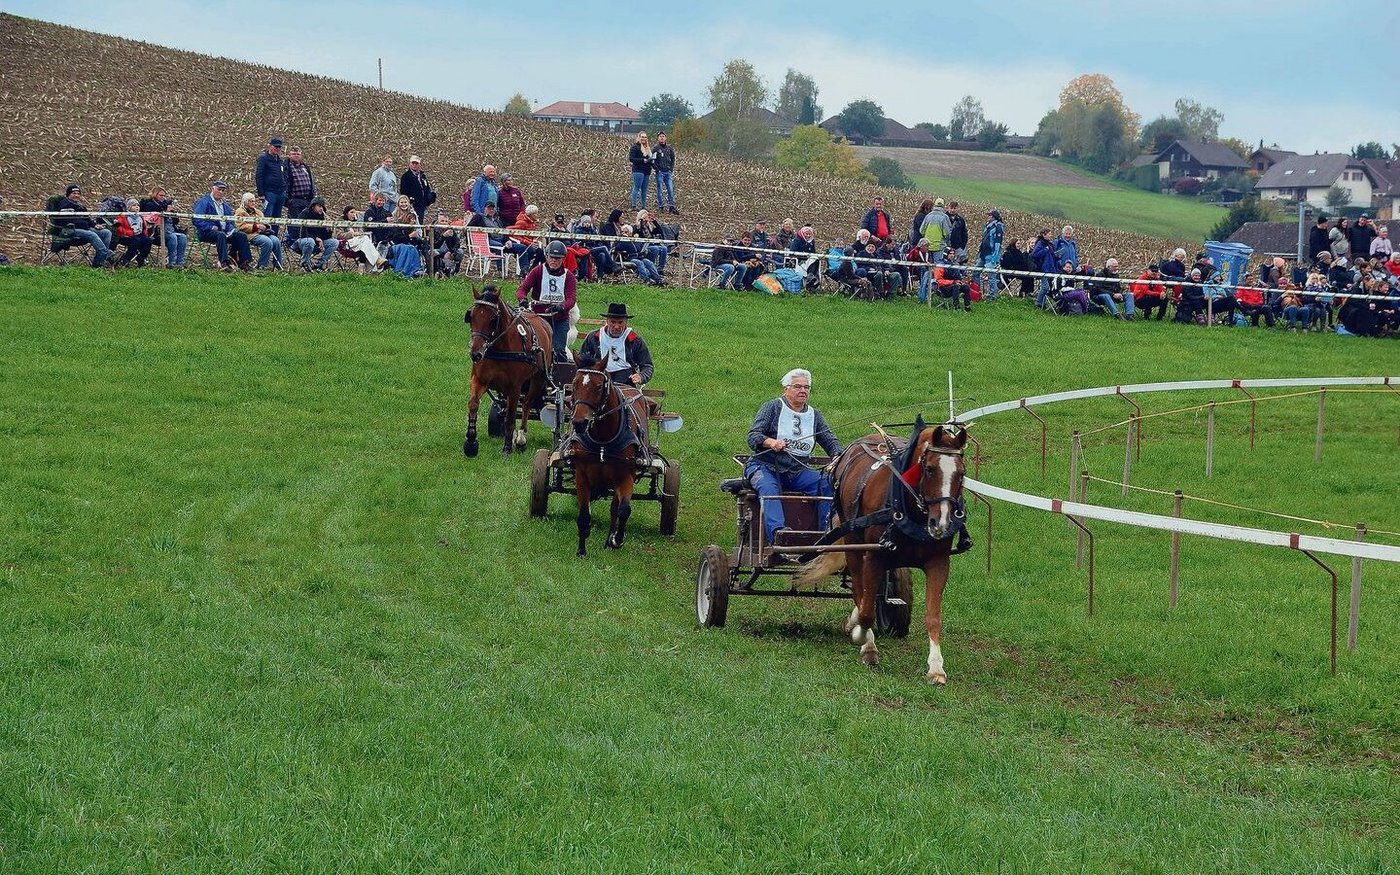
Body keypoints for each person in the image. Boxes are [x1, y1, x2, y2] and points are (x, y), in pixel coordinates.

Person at [745, 368, 844, 547]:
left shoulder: (814, 415)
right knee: (768, 488)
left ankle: (825, 534)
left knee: (827, 484)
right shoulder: (773, 407)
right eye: (797, 386)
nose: (803, 390)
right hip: (765, 466)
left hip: (797, 472)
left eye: (807, 387)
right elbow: (753, 436)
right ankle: (778, 533)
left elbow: (830, 441)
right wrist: (770, 442)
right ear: (786, 389)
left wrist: (838, 455)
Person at [517, 241, 576, 361]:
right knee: (536, 348)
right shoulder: (538, 271)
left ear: (563, 259)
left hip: (559, 319)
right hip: (539, 317)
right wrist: (522, 299)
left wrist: (562, 307)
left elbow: (571, 299)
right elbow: (522, 289)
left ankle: (559, 376)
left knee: (559, 350)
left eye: (558, 258)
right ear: (546, 256)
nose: (554, 261)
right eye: (551, 257)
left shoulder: (568, 276)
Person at [577, 302, 655, 386]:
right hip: (599, 378)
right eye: (613, 322)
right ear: (607, 321)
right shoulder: (594, 337)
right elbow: (582, 359)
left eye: (620, 322)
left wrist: (641, 376)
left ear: (626, 322)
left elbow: (647, 365)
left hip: (626, 380)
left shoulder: (634, 340)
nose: (616, 327)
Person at [192, 180, 251, 271]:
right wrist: (210, 227)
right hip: (206, 232)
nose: (221, 192)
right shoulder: (204, 202)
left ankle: (245, 263)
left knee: (241, 235)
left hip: (223, 231)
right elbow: (196, 219)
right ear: (213, 189)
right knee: (221, 235)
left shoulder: (225, 205)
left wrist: (231, 229)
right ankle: (224, 263)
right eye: (219, 189)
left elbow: (230, 221)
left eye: (223, 190)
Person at [55, 183, 114, 267]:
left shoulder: (80, 206)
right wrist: (84, 225)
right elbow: (67, 220)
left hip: (84, 229)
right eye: (74, 193)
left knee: (106, 232)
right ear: (68, 194)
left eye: (78, 193)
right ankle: (105, 253)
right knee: (92, 235)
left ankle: (98, 263)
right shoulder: (65, 204)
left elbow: (87, 219)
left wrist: (94, 225)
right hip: (69, 230)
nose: (76, 195)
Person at [140, 187, 187, 268]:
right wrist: (165, 212)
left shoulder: (166, 205)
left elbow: (176, 221)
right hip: (157, 232)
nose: (163, 197)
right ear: (155, 194)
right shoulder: (149, 205)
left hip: (170, 229)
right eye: (161, 195)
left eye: (164, 195)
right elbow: (153, 219)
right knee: (173, 237)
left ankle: (180, 262)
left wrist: (172, 213)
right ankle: (171, 262)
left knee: (183, 237)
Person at [235, 192, 284, 269]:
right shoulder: (240, 211)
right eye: (251, 201)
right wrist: (255, 226)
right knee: (267, 242)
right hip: (249, 234)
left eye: (254, 201)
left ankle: (278, 266)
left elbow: (266, 222)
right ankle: (262, 266)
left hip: (262, 233)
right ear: (245, 202)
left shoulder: (258, 212)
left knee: (276, 241)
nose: (253, 203)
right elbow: (240, 226)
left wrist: (265, 226)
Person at [283, 146, 322, 233]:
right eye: (293, 154)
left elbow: (312, 182)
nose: (296, 156)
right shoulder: (286, 167)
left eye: (298, 154)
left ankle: (306, 238)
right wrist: (287, 200)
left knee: (307, 221)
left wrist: (313, 198)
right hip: (294, 199)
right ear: (289, 155)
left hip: (307, 199)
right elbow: (284, 183)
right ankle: (292, 240)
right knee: (294, 222)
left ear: (301, 155)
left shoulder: (305, 167)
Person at [292, 197, 336, 271]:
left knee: (334, 242)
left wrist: (328, 230)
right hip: (301, 240)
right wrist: (316, 239)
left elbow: (323, 235)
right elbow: (299, 232)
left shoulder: (322, 216)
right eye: (319, 206)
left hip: (316, 242)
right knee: (310, 241)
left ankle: (319, 265)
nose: (321, 208)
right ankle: (304, 264)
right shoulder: (305, 213)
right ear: (313, 206)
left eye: (322, 206)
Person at [254, 136, 288, 230]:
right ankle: (267, 235)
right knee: (268, 216)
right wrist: (261, 193)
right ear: (270, 146)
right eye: (275, 147)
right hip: (269, 193)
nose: (277, 149)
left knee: (277, 218)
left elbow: (284, 174)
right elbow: (259, 175)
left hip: (280, 193)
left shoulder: (280, 160)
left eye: (279, 147)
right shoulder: (263, 158)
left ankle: (275, 238)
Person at [113, 198, 154, 267]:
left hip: (139, 234)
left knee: (148, 240)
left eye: (138, 205)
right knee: (135, 241)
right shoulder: (123, 216)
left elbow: (144, 228)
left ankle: (141, 258)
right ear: (129, 207)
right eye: (134, 205)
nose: (137, 207)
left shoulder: (140, 216)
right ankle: (126, 259)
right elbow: (119, 228)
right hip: (126, 236)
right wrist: (129, 233)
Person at [975, 209, 1004, 300]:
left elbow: (998, 242)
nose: (988, 216)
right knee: (975, 272)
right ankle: (977, 292)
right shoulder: (987, 226)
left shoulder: (998, 227)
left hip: (990, 255)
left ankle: (992, 296)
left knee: (991, 276)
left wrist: (995, 256)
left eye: (990, 215)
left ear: (994, 216)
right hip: (983, 254)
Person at [399, 155, 436, 223]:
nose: (414, 165)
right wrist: (409, 201)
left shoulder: (422, 176)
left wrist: (429, 199)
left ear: (419, 164)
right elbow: (403, 191)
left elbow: (427, 188)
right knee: (412, 223)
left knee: (420, 222)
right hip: (412, 205)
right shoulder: (406, 176)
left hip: (422, 205)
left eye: (416, 163)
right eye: (413, 163)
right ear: (410, 164)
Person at [1031, 228, 1057, 309]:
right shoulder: (1040, 243)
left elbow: (1052, 257)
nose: (1050, 235)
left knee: (1048, 288)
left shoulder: (1050, 244)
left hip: (1051, 269)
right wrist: (1045, 250)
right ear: (1044, 234)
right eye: (1049, 234)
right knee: (1045, 287)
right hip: (1044, 269)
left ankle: (1043, 304)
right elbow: (1034, 254)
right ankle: (1038, 303)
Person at [652, 131, 678, 214]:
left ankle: (671, 206)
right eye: (660, 136)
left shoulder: (669, 148)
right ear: (658, 138)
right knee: (660, 190)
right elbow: (652, 160)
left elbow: (673, 158)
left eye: (663, 136)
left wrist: (671, 168)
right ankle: (661, 206)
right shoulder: (655, 148)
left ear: (665, 138)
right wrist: (657, 169)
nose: (662, 137)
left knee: (670, 189)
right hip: (660, 172)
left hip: (668, 172)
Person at [628, 131, 654, 210]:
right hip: (638, 170)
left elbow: (650, 160)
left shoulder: (648, 149)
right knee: (636, 187)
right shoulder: (635, 147)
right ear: (639, 138)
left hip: (647, 171)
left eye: (645, 137)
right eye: (642, 137)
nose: (643, 138)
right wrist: (643, 160)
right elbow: (631, 158)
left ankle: (643, 206)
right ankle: (634, 205)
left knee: (644, 189)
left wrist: (653, 164)